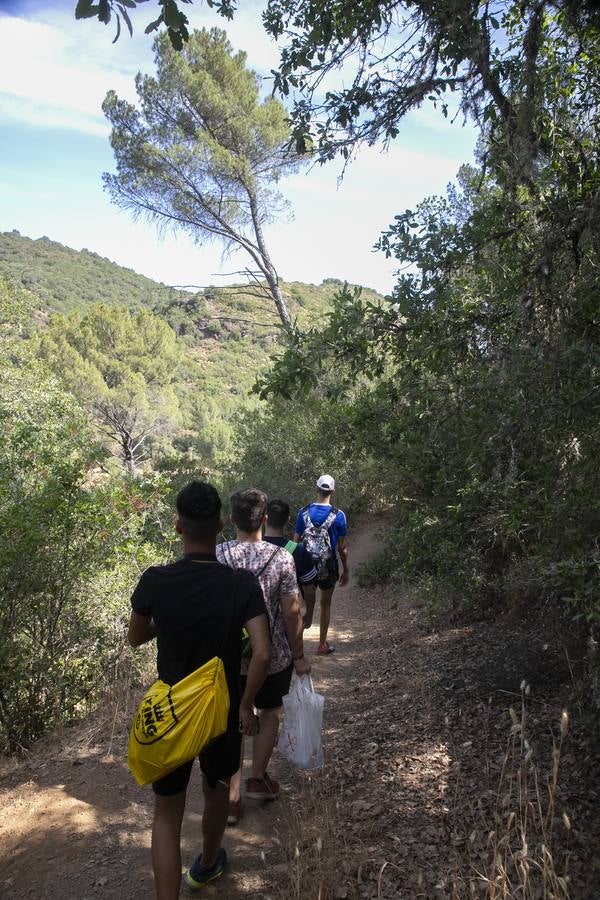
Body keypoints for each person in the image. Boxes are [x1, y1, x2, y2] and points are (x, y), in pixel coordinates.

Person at [127, 481, 271, 899]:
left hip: (171, 710)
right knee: (215, 794)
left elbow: (136, 637)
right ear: (221, 524)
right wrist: (247, 706)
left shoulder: (155, 581)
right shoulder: (240, 584)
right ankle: (208, 864)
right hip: (220, 711)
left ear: (178, 527)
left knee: (167, 814)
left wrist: (168, 622)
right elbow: (261, 653)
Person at [217, 488, 311, 825]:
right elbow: (291, 614)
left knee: (231, 721)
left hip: (227, 658)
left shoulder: (218, 555)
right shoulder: (281, 558)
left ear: (231, 520)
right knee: (269, 712)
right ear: (265, 519)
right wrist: (298, 655)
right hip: (271, 657)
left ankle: (229, 797)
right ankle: (258, 776)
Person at [294, 474, 349, 655]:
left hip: (305, 565)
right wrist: (346, 569)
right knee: (326, 604)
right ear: (332, 490)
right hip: (328, 565)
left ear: (317, 489)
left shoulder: (303, 512)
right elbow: (342, 548)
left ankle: (296, 647)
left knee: (303, 605)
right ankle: (322, 645)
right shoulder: (338, 515)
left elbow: (295, 543)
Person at [264, 498, 318, 619]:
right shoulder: (298, 550)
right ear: (288, 520)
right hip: (289, 619)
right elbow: (309, 589)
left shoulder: (253, 549)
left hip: (257, 620)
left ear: (264, 519)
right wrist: (309, 614)